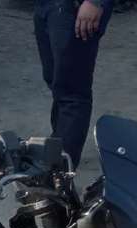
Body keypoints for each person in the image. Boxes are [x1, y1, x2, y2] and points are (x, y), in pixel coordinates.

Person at [34, 0, 113, 169]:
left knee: (72, 93)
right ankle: (57, 152)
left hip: (75, 8)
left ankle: (59, 172)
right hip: (49, 6)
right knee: (57, 82)